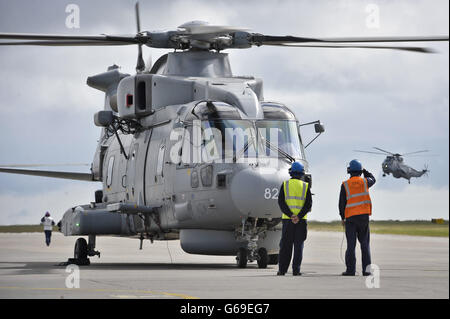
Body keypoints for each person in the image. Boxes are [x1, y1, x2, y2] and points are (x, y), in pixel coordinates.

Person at [339, 159, 376, 276]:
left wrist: (342, 217)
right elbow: (373, 178)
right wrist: (365, 171)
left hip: (350, 218)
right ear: (360, 171)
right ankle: (367, 271)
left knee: (351, 245)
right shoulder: (365, 182)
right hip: (364, 218)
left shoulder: (345, 185)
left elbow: (341, 203)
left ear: (349, 171)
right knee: (365, 244)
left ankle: (350, 270)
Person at [277, 161, 312, 276]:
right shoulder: (306, 186)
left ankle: (282, 270)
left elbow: (281, 202)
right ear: (302, 173)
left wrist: (290, 215)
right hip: (301, 221)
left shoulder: (285, 184)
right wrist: (298, 216)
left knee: (286, 246)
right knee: (298, 247)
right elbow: (308, 205)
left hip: (288, 220)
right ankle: (296, 270)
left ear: (291, 172)